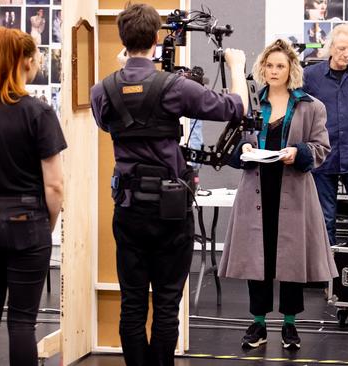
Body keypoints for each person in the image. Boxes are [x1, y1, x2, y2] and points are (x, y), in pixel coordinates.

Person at [90, 4, 247, 365]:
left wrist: (123, 78)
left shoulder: (103, 90)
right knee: (166, 303)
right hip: (170, 210)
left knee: (132, 304)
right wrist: (236, 68)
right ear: (157, 39)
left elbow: (106, 123)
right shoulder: (176, 87)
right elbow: (235, 108)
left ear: (123, 39)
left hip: (128, 207)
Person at [219, 39, 338, 350]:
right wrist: (243, 148)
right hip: (256, 192)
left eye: (280, 66)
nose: (274, 71)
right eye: (269, 65)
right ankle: (257, 324)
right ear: (262, 68)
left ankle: (290, 325)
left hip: (294, 192)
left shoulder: (311, 106)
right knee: (259, 259)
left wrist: (295, 152)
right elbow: (231, 145)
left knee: (291, 261)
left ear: (291, 70)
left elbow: (321, 149)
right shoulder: (249, 104)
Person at [0, 27, 66, 366]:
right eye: (36, 58)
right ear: (26, 61)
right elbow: (55, 186)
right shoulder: (39, 113)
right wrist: (45, 226)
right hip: (26, 223)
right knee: (21, 323)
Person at [303, 24, 348, 247]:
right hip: (324, 156)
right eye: (342, 48)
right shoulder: (310, 76)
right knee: (325, 218)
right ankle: (328, 274)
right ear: (331, 47)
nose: (346, 54)